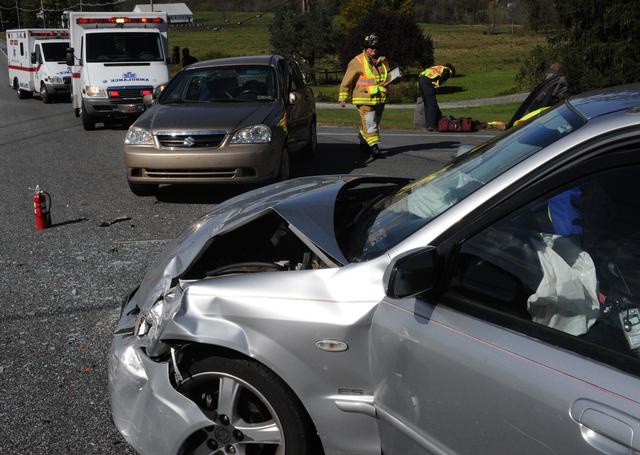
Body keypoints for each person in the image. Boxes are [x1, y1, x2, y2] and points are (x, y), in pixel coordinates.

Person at [338, 33, 390, 158]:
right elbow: (347, 80)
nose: (373, 50)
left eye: (376, 48)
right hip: (364, 98)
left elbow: (386, 77)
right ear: (365, 48)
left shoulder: (382, 61)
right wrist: (343, 97)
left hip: (379, 98)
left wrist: (394, 76)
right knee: (370, 122)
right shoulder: (357, 61)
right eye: (371, 48)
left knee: (372, 123)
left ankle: (363, 140)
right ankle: (374, 148)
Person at [419, 63, 455, 131]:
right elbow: (443, 77)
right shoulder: (447, 70)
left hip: (421, 81)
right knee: (432, 105)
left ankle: (428, 124)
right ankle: (432, 125)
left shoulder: (437, 67)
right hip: (428, 83)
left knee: (427, 105)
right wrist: (437, 87)